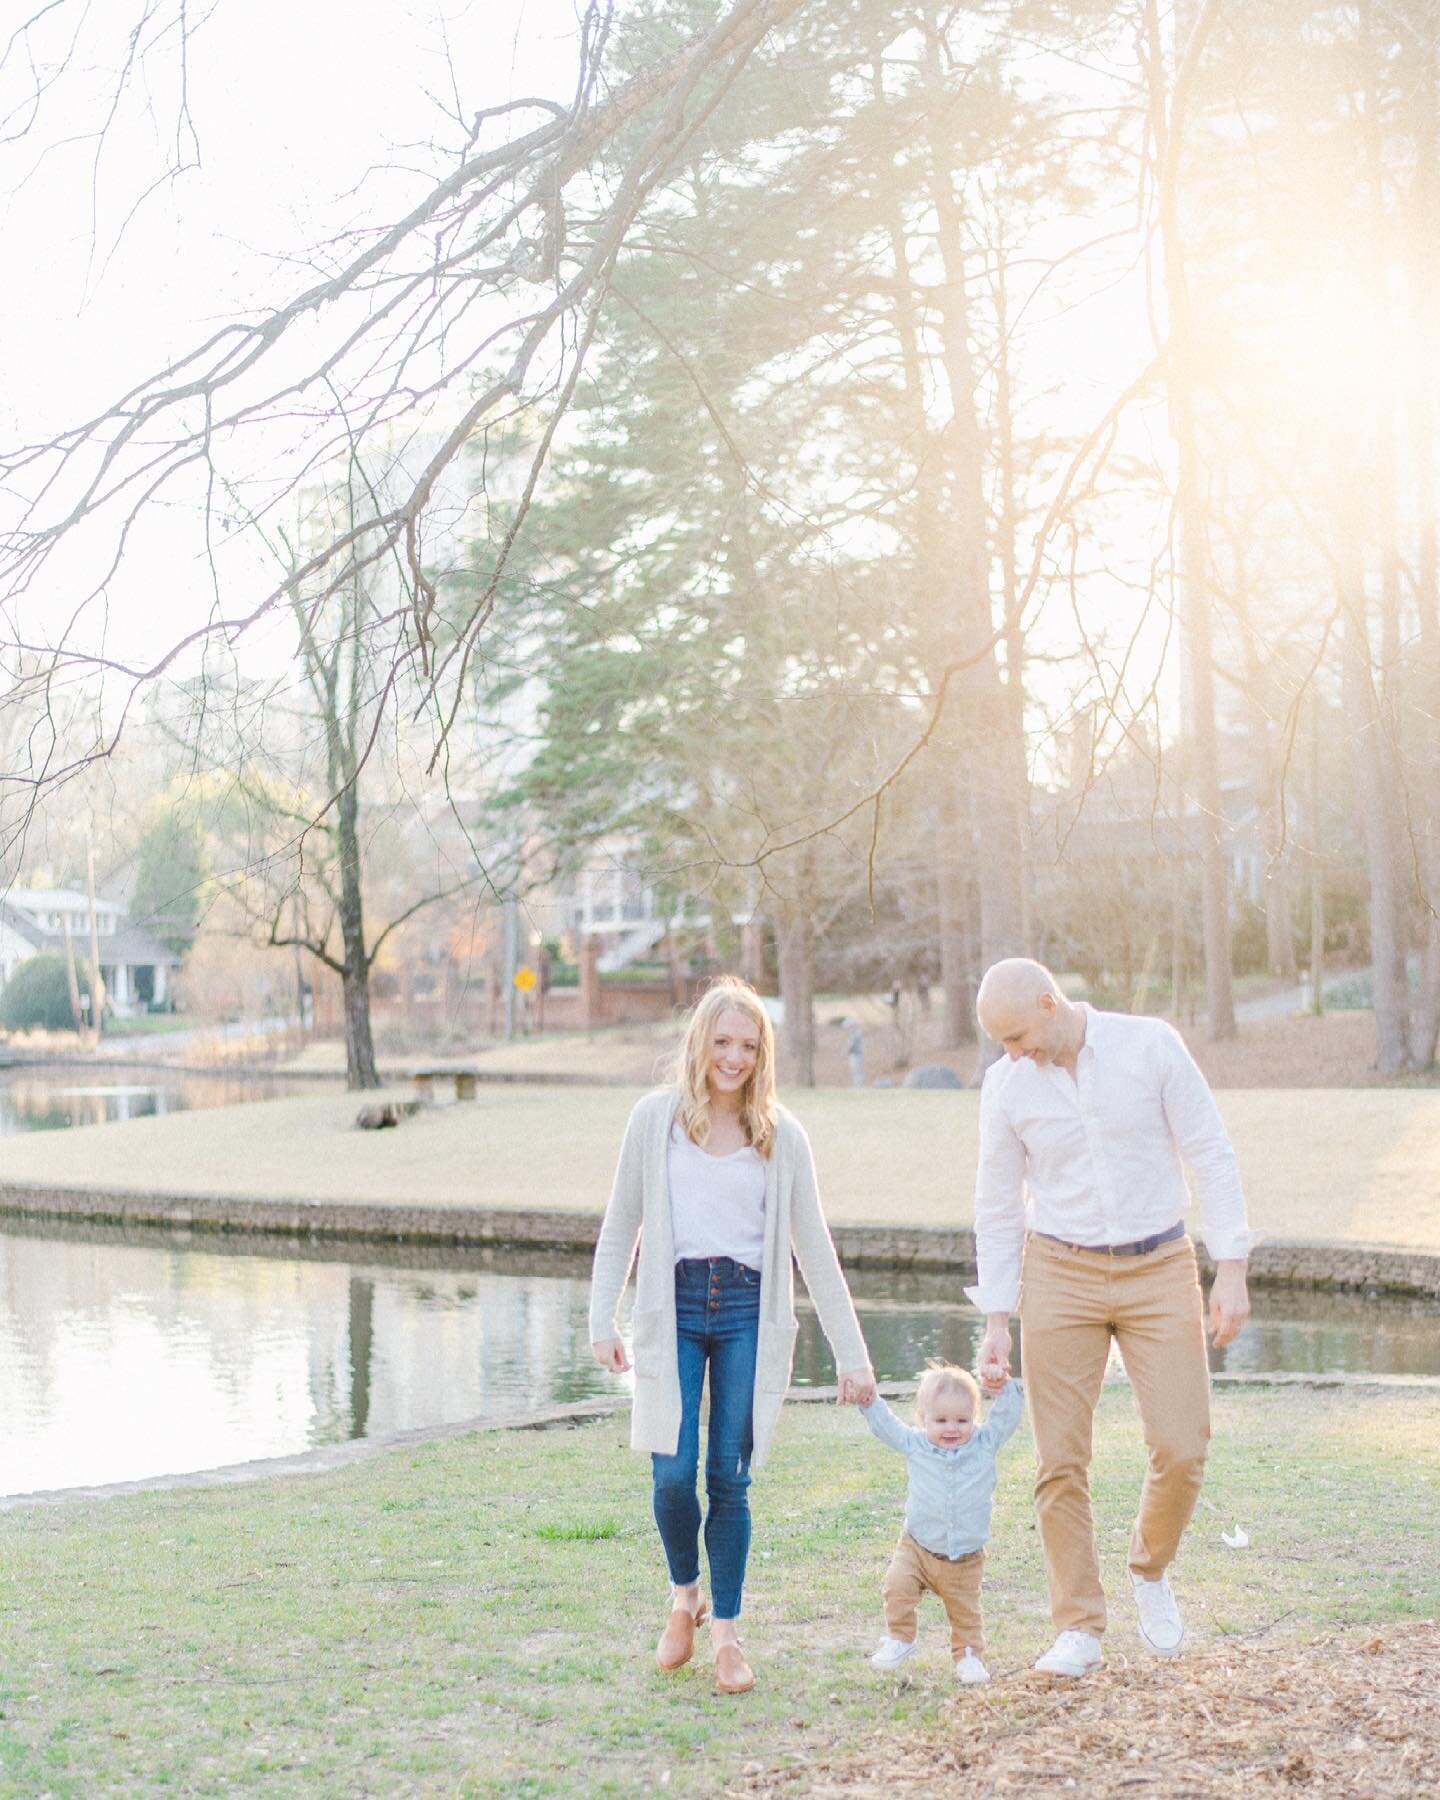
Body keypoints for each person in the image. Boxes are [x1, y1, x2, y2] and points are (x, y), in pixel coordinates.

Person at [590, 976, 876, 1695]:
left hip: (748, 1309)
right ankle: (684, 1595)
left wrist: (853, 1357)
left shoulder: (781, 1135)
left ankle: (726, 1637)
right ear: (699, 1043)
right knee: (671, 1473)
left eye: (748, 1045)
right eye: (722, 1042)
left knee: (730, 1476)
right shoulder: (654, 1120)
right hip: (674, 1306)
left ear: (762, 1053)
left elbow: (815, 1250)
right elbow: (622, 1222)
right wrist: (602, 1318)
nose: (734, 1057)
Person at [968, 957, 1253, 1680]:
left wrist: (1232, 1267)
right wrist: (997, 1318)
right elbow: (998, 1205)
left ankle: (1149, 1570)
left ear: (1048, 1001)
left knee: (1183, 1444)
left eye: (1017, 1035)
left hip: (1159, 1264)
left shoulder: (1149, 1045)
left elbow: (1210, 1154)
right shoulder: (1005, 1087)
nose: (1012, 1053)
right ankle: (1079, 1626)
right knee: (1059, 1459)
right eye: (1000, 1043)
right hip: (1058, 1270)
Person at [861, 1361, 1023, 1685]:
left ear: (974, 1419)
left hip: (964, 1557)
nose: (952, 1428)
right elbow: (887, 1428)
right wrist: (869, 1402)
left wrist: (1007, 1387)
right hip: (917, 1547)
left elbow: (1007, 1417)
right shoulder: (915, 1444)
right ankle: (900, 1638)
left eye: (962, 1420)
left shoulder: (984, 1444)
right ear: (923, 1420)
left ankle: (968, 1656)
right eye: (941, 1420)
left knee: (965, 1613)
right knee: (897, 1588)